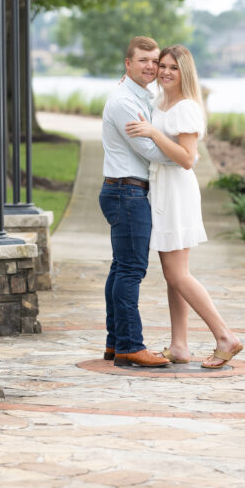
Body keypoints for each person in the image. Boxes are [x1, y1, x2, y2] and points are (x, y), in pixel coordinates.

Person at [125, 45, 243, 369]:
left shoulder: (186, 108)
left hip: (176, 193)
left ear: (185, 72)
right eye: (162, 65)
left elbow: (188, 159)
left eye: (172, 68)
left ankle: (225, 337)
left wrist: (152, 133)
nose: (164, 71)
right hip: (163, 189)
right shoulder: (161, 101)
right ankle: (179, 345)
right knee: (172, 275)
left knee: (178, 274)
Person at [100, 36, 178, 368]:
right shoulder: (122, 102)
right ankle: (131, 345)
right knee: (131, 270)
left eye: (154, 61)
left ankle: (115, 343)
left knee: (121, 269)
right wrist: (185, 155)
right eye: (143, 60)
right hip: (127, 192)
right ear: (128, 64)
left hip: (125, 191)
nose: (150, 66)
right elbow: (147, 150)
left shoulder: (137, 96)